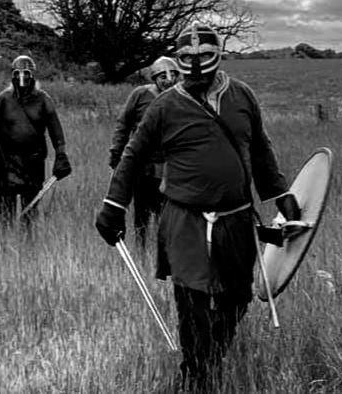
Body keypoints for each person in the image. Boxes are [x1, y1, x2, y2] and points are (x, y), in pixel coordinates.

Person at [96, 22, 300, 392]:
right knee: (192, 302)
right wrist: (113, 206)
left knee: (236, 298)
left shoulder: (243, 96)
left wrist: (281, 195)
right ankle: (196, 375)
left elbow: (261, 150)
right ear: (177, 60)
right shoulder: (164, 106)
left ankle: (213, 355)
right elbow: (133, 154)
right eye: (186, 58)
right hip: (185, 218)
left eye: (204, 56)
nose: (195, 64)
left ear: (219, 56)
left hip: (236, 219)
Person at [0, 55, 72, 225]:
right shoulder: (3, 100)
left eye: (26, 73)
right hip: (8, 164)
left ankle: (28, 245)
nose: (22, 77)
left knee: (30, 214)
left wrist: (61, 155)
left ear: (32, 75)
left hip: (33, 163)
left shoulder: (43, 99)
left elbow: (55, 130)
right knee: (7, 214)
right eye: (18, 73)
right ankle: (7, 247)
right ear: (13, 75)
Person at [109, 56, 180, 248]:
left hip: (169, 167)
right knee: (142, 213)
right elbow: (123, 124)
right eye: (163, 76)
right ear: (155, 78)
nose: (168, 80)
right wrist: (116, 152)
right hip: (143, 165)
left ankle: (163, 253)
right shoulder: (140, 95)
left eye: (173, 75)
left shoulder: (182, 98)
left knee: (166, 214)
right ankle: (141, 249)